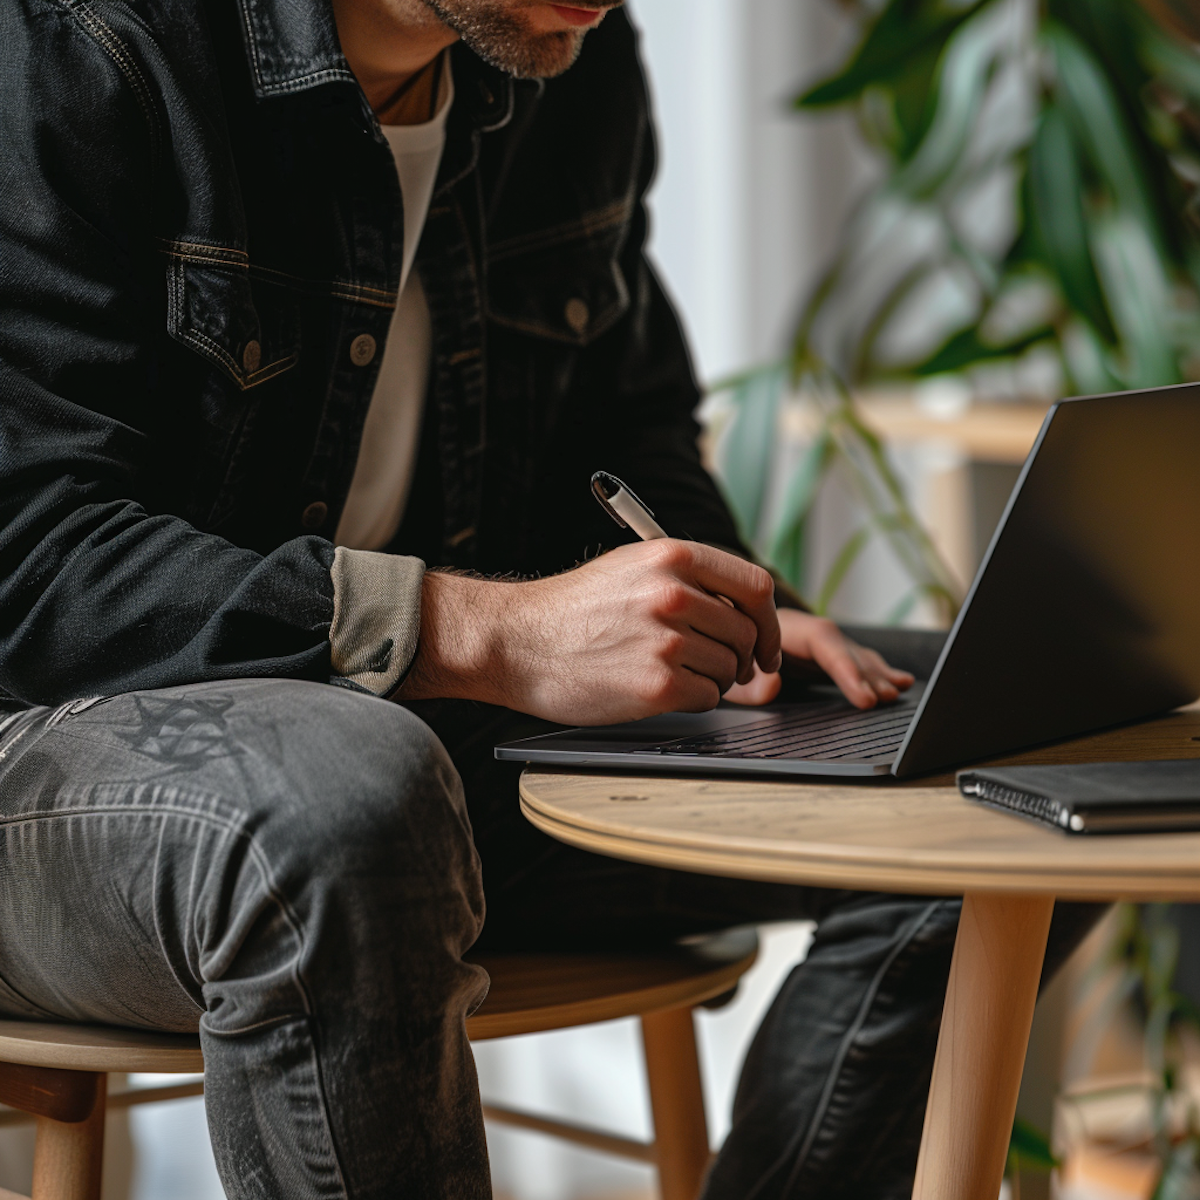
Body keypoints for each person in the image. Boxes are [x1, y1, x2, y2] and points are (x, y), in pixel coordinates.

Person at [0, 0, 1099, 1196]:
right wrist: (489, 631)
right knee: (349, 800)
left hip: (440, 744)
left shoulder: (553, 47)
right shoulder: (83, 43)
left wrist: (716, 598)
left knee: (1018, 744)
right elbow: (35, 560)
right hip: (66, 769)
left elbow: (624, 420)